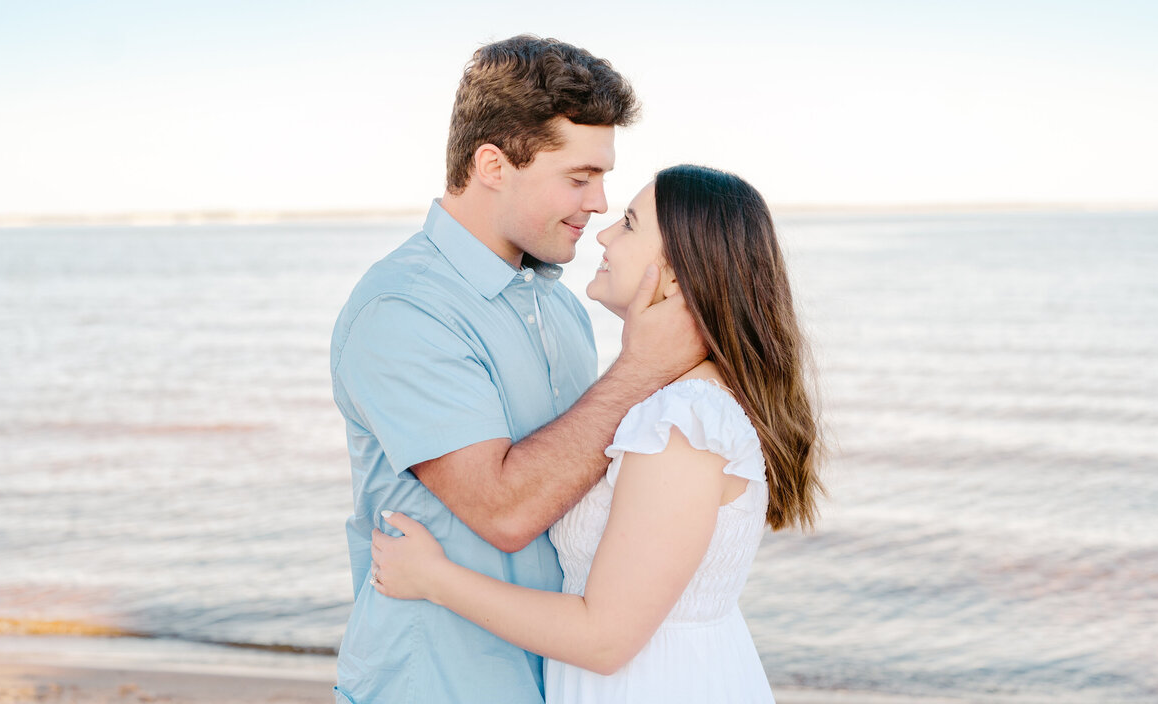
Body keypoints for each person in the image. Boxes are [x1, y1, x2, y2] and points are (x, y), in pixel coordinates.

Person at [330, 37, 705, 704]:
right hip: (438, 684)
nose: (597, 203)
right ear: (494, 165)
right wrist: (641, 368)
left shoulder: (559, 306)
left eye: (603, 178)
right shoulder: (404, 311)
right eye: (579, 177)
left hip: (560, 678)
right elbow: (504, 511)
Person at [371, 165, 824, 703]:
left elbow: (604, 637)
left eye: (630, 224)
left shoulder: (682, 424)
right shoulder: (678, 404)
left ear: (677, 276)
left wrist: (434, 580)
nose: (605, 232)